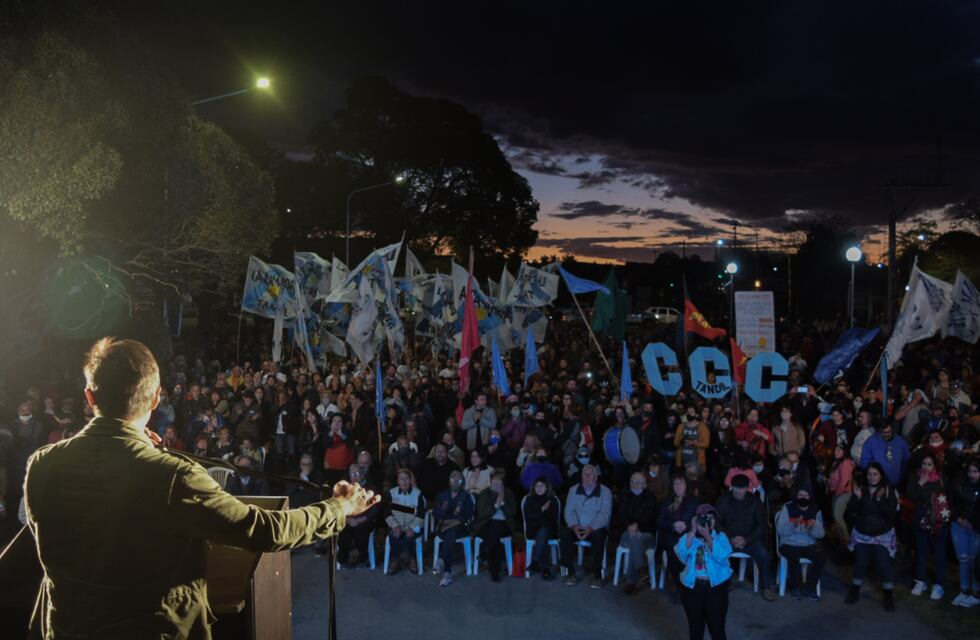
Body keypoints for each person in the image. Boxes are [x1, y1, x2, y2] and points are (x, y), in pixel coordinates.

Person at [22, 337, 377, 638]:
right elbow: (264, 531)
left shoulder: (41, 465)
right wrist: (339, 508)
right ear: (157, 398)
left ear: (89, 397)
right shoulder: (173, 475)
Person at [844, 462, 898, 611]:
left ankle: (888, 596)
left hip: (882, 535)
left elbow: (891, 515)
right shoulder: (861, 489)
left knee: (883, 564)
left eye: (875, 474)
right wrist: (856, 498)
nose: (872, 477)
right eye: (869, 474)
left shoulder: (888, 491)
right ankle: (854, 591)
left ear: (881, 475)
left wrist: (880, 501)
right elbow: (850, 511)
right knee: (859, 562)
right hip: (862, 534)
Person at [674, 503, 732, 640]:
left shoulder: (721, 537)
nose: (707, 521)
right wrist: (693, 531)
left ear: (715, 520)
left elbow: (723, 555)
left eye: (710, 518)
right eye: (702, 518)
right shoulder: (690, 538)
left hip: (716, 589)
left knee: (717, 630)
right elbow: (680, 551)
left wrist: (707, 536)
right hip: (692, 589)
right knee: (695, 630)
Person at [714, 473, 775, 600]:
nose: (738, 492)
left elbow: (761, 525)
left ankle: (766, 587)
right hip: (728, 538)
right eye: (736, 488)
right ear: (732, 487)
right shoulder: (724, 499)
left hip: (750, 539)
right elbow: (717, 522)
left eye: (741, 488)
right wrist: (730, 538)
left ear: (747, 488)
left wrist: (746, 540)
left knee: (764, 554)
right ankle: (722, 582)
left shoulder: (755, 501)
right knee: (716, 551)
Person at [561, 464, 613, 588]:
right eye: (585, 474)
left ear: (596, 477)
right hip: (577, 526)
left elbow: (605, 514)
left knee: (598, 537)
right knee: (565, 534)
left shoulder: (605, 491)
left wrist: (591, 528)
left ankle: (597, 575)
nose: (588, 476)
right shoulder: (573, 490)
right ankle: (571, 573)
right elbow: (569, 511)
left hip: (596, 528)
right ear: (581, 476)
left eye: (591, 474)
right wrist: (574, 526)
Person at [906, 453, 949, 601]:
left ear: (935, 466)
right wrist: (921, 483)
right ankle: (920, 580)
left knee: (939, 552)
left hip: (938, 520)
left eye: (929, 464)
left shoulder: (941, 479)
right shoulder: (915, 477)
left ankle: (938, 584)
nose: (926, 467)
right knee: (921, 549)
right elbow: (911, 497)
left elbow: (946, 499)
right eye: (924, 463)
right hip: (921, 518)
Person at [774, 487, 826, 600]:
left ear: (810, 497)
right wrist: (793, 525)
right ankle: (795, 586)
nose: (803, 498)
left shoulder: (815, 510)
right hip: (789, 543)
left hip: (808, 544)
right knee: (793, 556)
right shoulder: (788, 507)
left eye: (806, 496)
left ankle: (810, 587)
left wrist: (813, 527)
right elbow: (780, 530)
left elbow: (821, 534)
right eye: (800, 495)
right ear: (796, 496)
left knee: (821, 557)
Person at [615, 472, 658, 594]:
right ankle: (640, 570)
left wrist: (637, 525)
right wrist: (630, 525)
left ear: (644, 485)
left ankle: (632, 581)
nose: (635, 484)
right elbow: (621, 514)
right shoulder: (624, 495)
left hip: (646, 533)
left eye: (639, 482)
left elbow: (649, 516)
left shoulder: (651, 497)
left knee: (635, 538)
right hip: (626, 532)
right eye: (633, 481)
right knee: (633, 538)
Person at [473, 468, 517, 582]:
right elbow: (481, 514)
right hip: (486, 524)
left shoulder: (508, 493)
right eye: (495, 480)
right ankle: (494, 568)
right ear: (490, 480)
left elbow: (512, 513)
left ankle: (489, 559)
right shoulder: (484, 493)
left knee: (494, 531)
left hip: (504, 524)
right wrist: (495, 505)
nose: (497, 483)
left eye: (500, 481)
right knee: (493, 531)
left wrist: (502, 503)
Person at [432, 470, 475, 586]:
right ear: (449, 482)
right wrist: (443, 510)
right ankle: (446, 572)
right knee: (450, 532)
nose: (455, 482)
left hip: (460, 528)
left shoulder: (466, 496)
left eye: (459, 480)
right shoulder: (442, 495)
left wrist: (459, 513)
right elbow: (435, 513)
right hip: (444, 526)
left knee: (453, 531)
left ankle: (443, 563)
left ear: (462, 483)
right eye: (453, 480)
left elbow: (469, 515)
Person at [657, 474, 700, 589]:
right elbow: (659, 521)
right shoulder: (667, 501)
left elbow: (698, 519)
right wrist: (673, 525)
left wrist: (686, 526)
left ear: (686, 485)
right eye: (676, 483)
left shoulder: (694, 500)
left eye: (681, 483)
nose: (678, 486)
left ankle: (689, 583)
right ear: (672, 486)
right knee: (674, 553)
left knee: (691, 553)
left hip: (689, 536)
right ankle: (681, 585)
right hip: (671, 537)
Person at [335, 463, 380, 567]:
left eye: (357, 473)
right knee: (343, 532)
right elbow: (339, 506)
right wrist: (347, 519)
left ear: (362, 475)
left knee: (361, 532)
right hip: (348, 519)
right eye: (352, 474)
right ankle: (344, 557)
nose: (354, 476)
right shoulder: (345, 489)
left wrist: (359, 520)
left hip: (364, 519)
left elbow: (374, 509)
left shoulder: (370, 488)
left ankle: (361, 556)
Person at [950, 458, 980, 607]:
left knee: (974, 560)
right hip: (959, 525)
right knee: (963, 559)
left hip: (975, 529)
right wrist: (959, 518)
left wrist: (973, 523)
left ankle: (975, 593)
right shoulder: (959, 484)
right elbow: (952, 503)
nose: (972, 474)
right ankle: (964, 590)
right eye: (970, 471)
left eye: (975, 471)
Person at [384, 468, 425, 575]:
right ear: (398, 481)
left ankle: (412, 558)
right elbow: (387, 513)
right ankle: (395, 560)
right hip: (396, 524)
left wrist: (411, 527)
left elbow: (421, 515)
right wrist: (395, 525)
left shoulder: (418, 494)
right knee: (394, 534)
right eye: (401, 479)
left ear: (410, 480)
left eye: (407, 479)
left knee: (409, 535)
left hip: (412, 525)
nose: (404, 481)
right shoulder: (391, 493)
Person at [524, 476, 560, 580]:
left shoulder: (552, 500)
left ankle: (536, 561)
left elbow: (553, 519)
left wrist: (541, 514)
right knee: (542, 532)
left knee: (543, 531)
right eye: (537, 486)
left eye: (542, 486)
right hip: (533, 529)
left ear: (546, 488)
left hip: (549, 529)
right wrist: (541, 510)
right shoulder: (529, 499)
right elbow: (528, 517)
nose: (539, 488)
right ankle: (544, 569)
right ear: (534, 487)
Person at [860, 423, 910, 488]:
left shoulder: (900, 441)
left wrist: (901, 477)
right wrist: (874, 475)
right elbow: (864, 463)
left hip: (896, 483)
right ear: (879, 431)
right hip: (877, 485)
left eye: (889, 432)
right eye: (883, 432)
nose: (887, 434)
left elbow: (906, 461)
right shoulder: (871, 441)